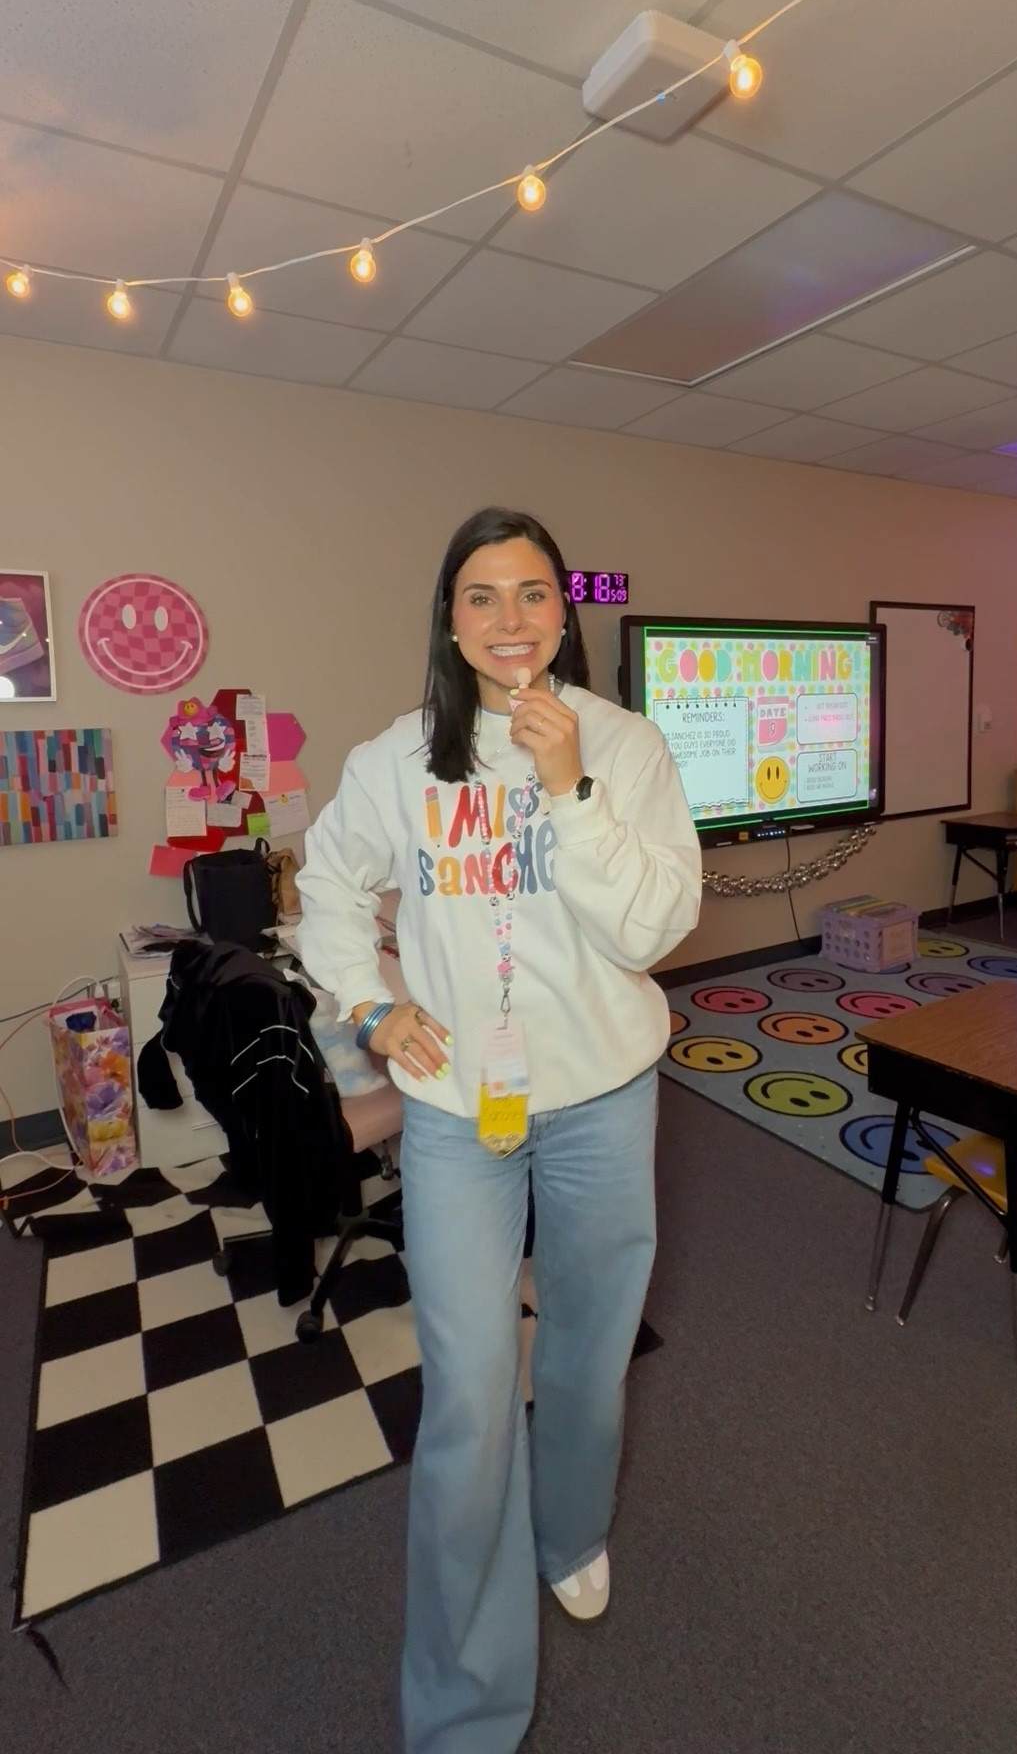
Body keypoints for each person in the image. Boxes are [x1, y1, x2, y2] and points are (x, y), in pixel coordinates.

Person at [297, 507, 701, 1754]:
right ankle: (466, 1709)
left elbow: (652, 929)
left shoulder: (624, 749)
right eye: (483, 597)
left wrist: (572, 785)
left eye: (533, 594)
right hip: (456, 1112)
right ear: (450, 618)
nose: (511, 620)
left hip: (602, 1096)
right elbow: (323, 888)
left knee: (584, 1347)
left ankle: (571, 1529)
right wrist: (372, 1004)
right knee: (472, 1395)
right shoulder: (396, 762)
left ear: (564, 614)